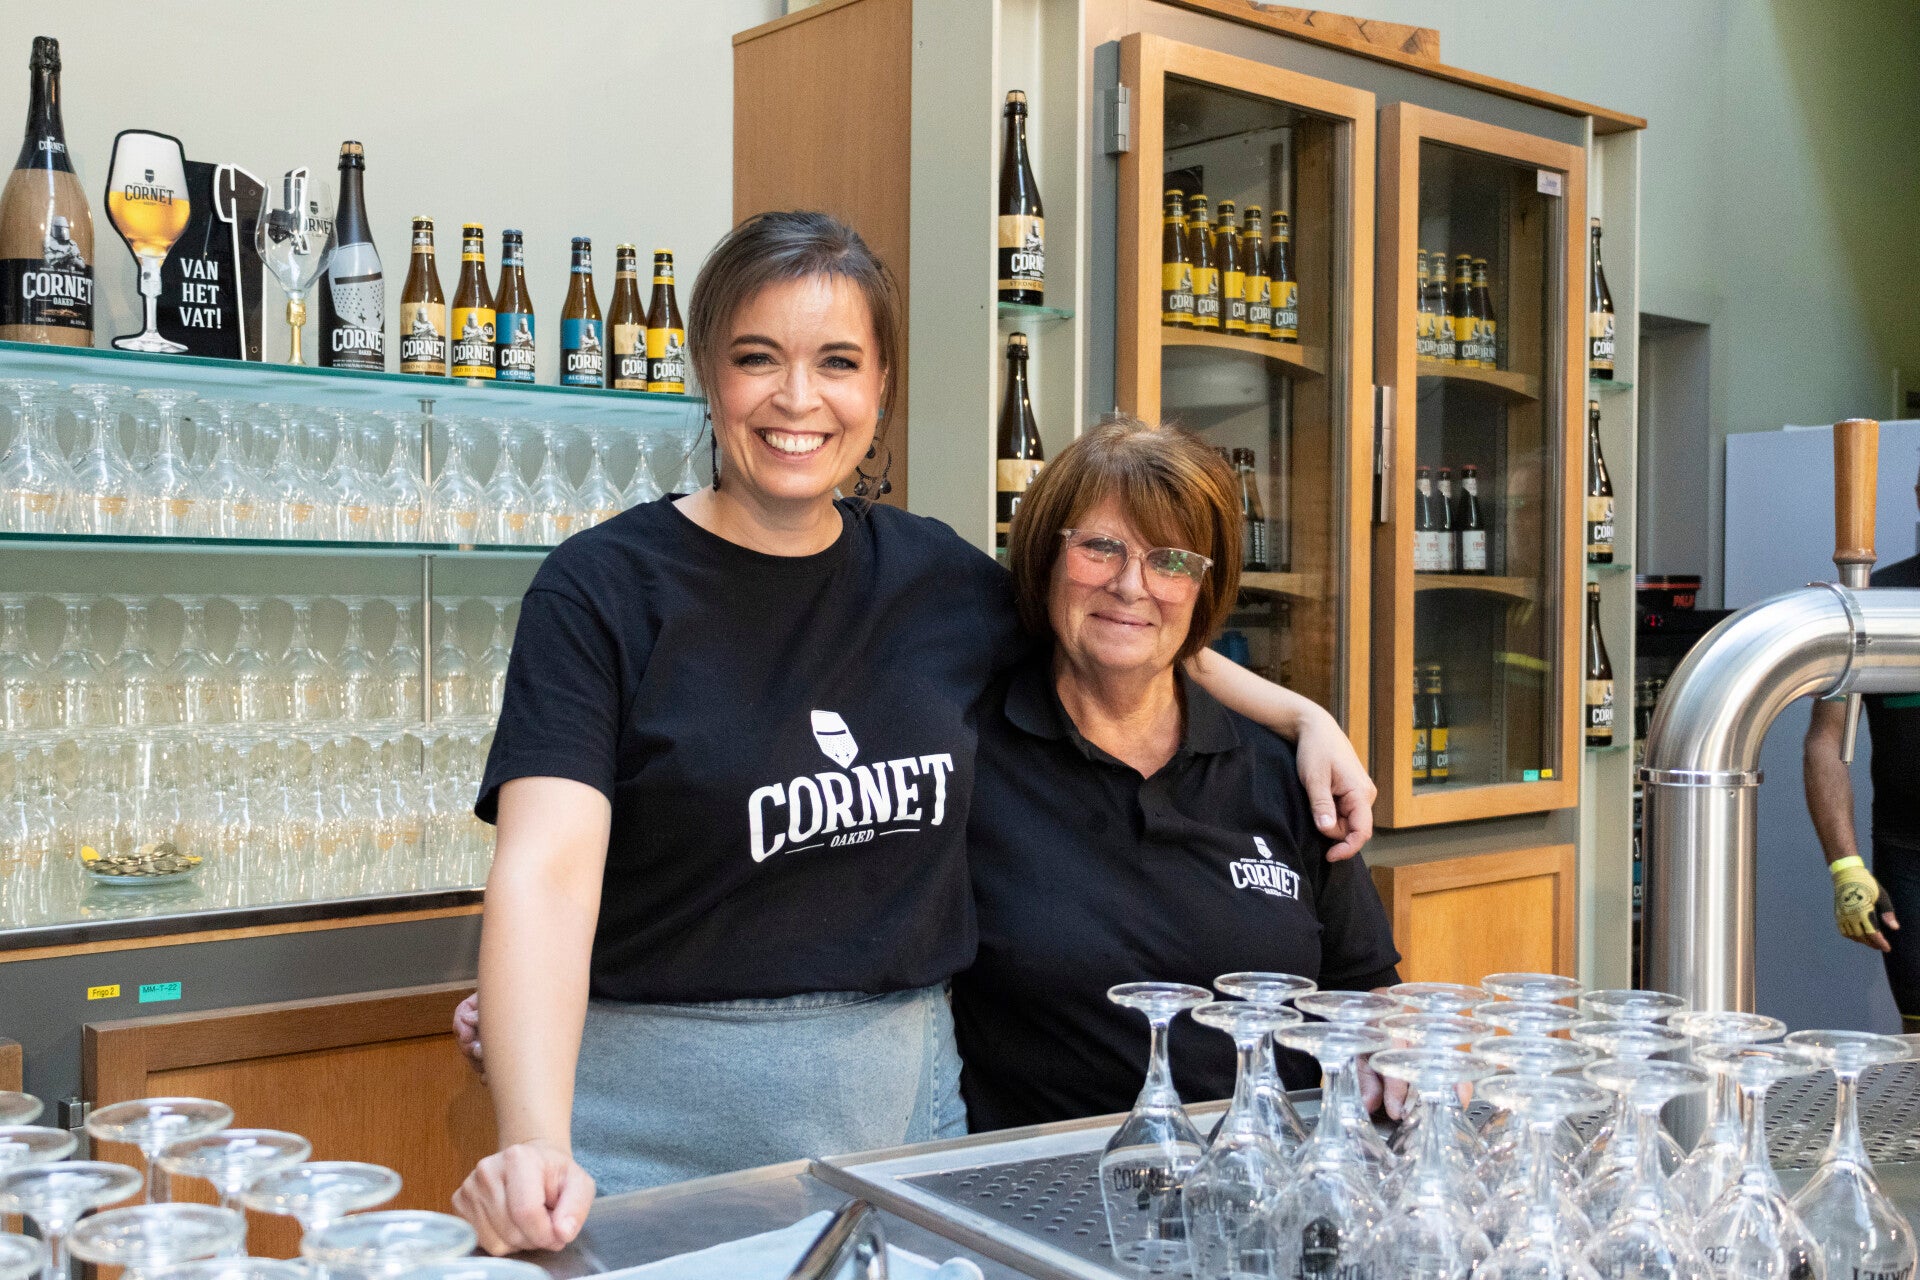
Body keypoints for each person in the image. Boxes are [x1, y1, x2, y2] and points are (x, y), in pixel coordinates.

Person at [450, 211, 1377, 1255]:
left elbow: (1120, 620)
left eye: (837, 362)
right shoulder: (602, 589)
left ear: (881, 385)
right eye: (757, 358)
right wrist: (532, 1137)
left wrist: (1299, 713)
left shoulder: (937, 580)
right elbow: (547, 873)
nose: (798, 397)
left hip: (899, 1130)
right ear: (706, 371)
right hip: (646, 1131)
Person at [953, 416, 1401, 1131]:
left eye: (1172, 562)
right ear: (1045, 560)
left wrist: (1393, 1046)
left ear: (1203, 587)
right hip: (1049, 1174)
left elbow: (1364, 985)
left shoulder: (1283, 770)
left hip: (1270, 1163)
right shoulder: (971, 762)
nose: (1131, 585)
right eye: (1099, 548)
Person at [1803, 457, 1920, 1031]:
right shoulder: (1873, 604)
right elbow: (1825, 741)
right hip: (1910, 856)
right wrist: (1846, 867)